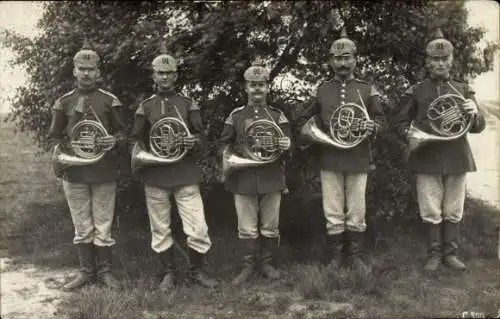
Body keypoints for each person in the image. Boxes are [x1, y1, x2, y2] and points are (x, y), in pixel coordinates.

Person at [295, 28, 386, 272]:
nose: (342, 63)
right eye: (338, 58)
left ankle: (355, 256)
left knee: (357, 208)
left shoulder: (368, 89)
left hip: (358, 157)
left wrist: (372, 126)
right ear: (330, 61)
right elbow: (306, 118)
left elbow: (381, 120)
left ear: (355, 59)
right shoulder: (323, 89)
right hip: (330, 157)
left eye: (347, 58)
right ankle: (336, 256)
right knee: (333, 208)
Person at [129, 42, 217, 290]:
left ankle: (196, 272)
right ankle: (168, 272)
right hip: (155, 174)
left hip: (185, 173)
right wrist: (146, 155)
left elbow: (202, 138)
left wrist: (193, 140)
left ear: (176, 76)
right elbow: (134, 139)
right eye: (160, 73)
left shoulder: (189, 104)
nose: (165, 77)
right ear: (154, 76)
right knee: (160, 227)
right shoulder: (145, 106)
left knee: (198, 227)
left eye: (169, 73)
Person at [396, 28, 486, 272]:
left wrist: (474, 113)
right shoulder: (416, 90)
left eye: (444, 59)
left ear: (452, 60)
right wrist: (413, 136)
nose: (440, 63)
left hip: (457, 157)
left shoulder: (464, 90)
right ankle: (434, 255)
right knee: (430, 208)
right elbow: (401, 122)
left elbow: (478, 127)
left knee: (453, 208)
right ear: (427, 62)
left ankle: (451, 255)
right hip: (426, 156)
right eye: (435, 59)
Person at [47, 40, 127, 291]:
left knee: (103, 224)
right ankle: (86, 273)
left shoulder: (110, 100)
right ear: (74, 71)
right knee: (82, 225)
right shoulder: (64, 102)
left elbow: (124, 133)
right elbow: (55, 136)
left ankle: (105, 273)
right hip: (75, 172)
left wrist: (113, 140)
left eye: (91, 69)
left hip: (103, 170)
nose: (86, 73)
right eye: (81, 68)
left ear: (98, 72)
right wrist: (67, 151)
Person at [218, 58, 292, 285]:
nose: (257, 88)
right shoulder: (236, 115)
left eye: (261, 84)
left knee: (270, 224)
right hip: (244, 178)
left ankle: (267, 264)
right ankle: (247, 267)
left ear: (268, 87)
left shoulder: (278, 116)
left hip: (271, 176)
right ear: (246, 87)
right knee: (247, 226)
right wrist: (234, 157)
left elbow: (289, 148)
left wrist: (287, 146)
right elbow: (223, 145)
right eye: (253, 84)